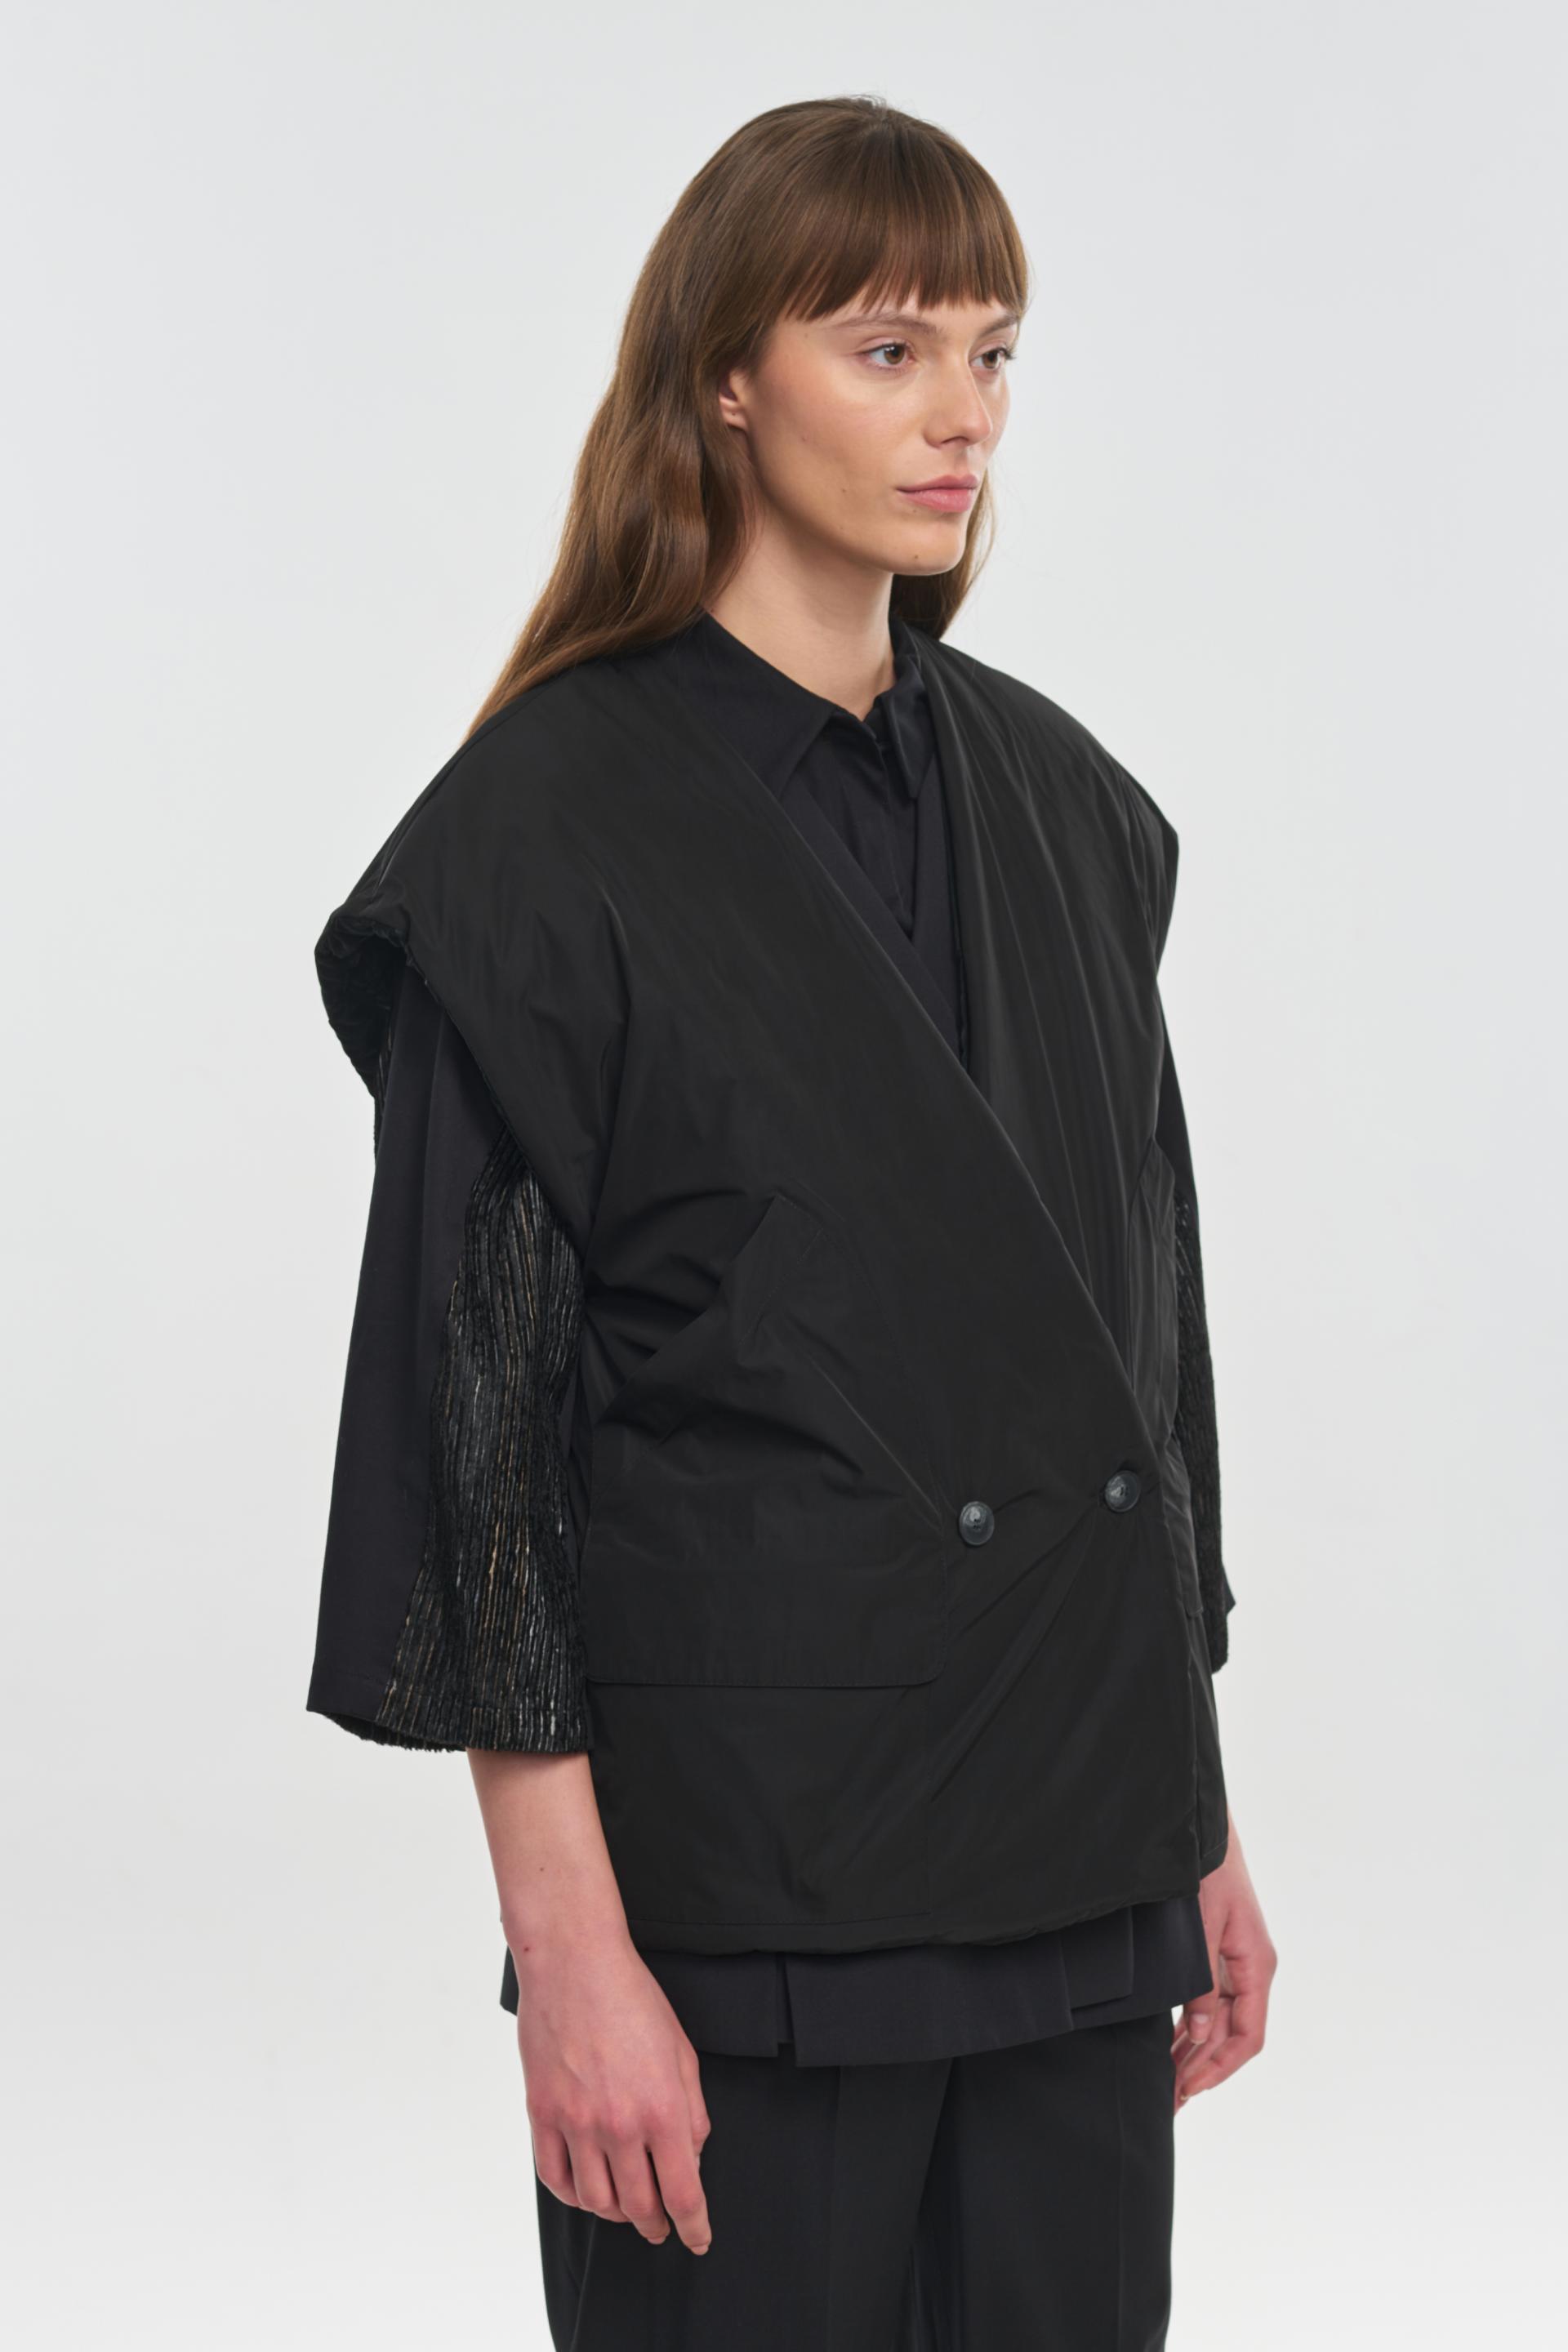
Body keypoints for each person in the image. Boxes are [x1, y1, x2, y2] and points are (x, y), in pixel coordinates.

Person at [306, 94, 1276, 2350]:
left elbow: (1141, 1353)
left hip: (1081, 1850)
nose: (964, 415)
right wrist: (570, 1953)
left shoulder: (1069, 807)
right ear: (727, 376)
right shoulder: (544, 834)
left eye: (993, 352)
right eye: (888, 348)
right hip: (751, 1894)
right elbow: (483, 1453)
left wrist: (1197, 1824)